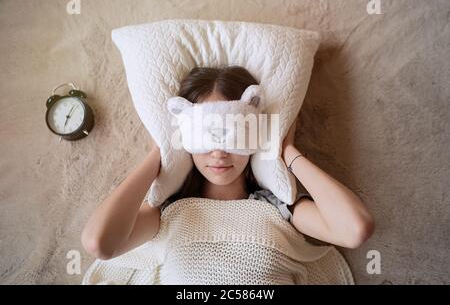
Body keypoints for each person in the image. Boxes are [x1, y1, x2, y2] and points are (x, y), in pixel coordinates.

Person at [81, 65, 375, 266]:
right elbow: (99, 243)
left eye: (233, 133)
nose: (219, 152)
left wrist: (287, 152)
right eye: (204, 136)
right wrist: (158, 155)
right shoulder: (168, 212)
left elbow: (355, 229)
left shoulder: (277, 208)